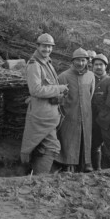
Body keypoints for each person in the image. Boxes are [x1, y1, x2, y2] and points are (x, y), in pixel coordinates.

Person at [20, 33, 69, 174]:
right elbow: (35, 90)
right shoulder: (34, 64)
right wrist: (59, 88)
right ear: (38, 46)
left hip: (48, 114)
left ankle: (36, 174)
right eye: (44, 46)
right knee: (52, 147)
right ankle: (40, 178)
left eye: (50, 47)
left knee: (42, 147)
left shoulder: (46, 62)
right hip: (41, 116)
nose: (47, 49)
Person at [57, 48, 96, 172]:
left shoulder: (90, 76)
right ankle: (69, 165)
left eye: (83, 60)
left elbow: (91, 94)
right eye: (78, 60)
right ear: (72, 61)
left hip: (86, 114)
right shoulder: (63, 76)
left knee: (85, 138)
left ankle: (85, 165)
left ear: (87, 61)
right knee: (69, 139)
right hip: (69, 114)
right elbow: (60, 98)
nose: (80, 63)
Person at [90, 53, 109, 171]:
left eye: (101, 64)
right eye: (96, 64)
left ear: (105, 66)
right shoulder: (88, 79)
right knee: (94, 144)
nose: (98, 67)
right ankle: (95, 169)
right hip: (91, 117)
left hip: (106, 118)